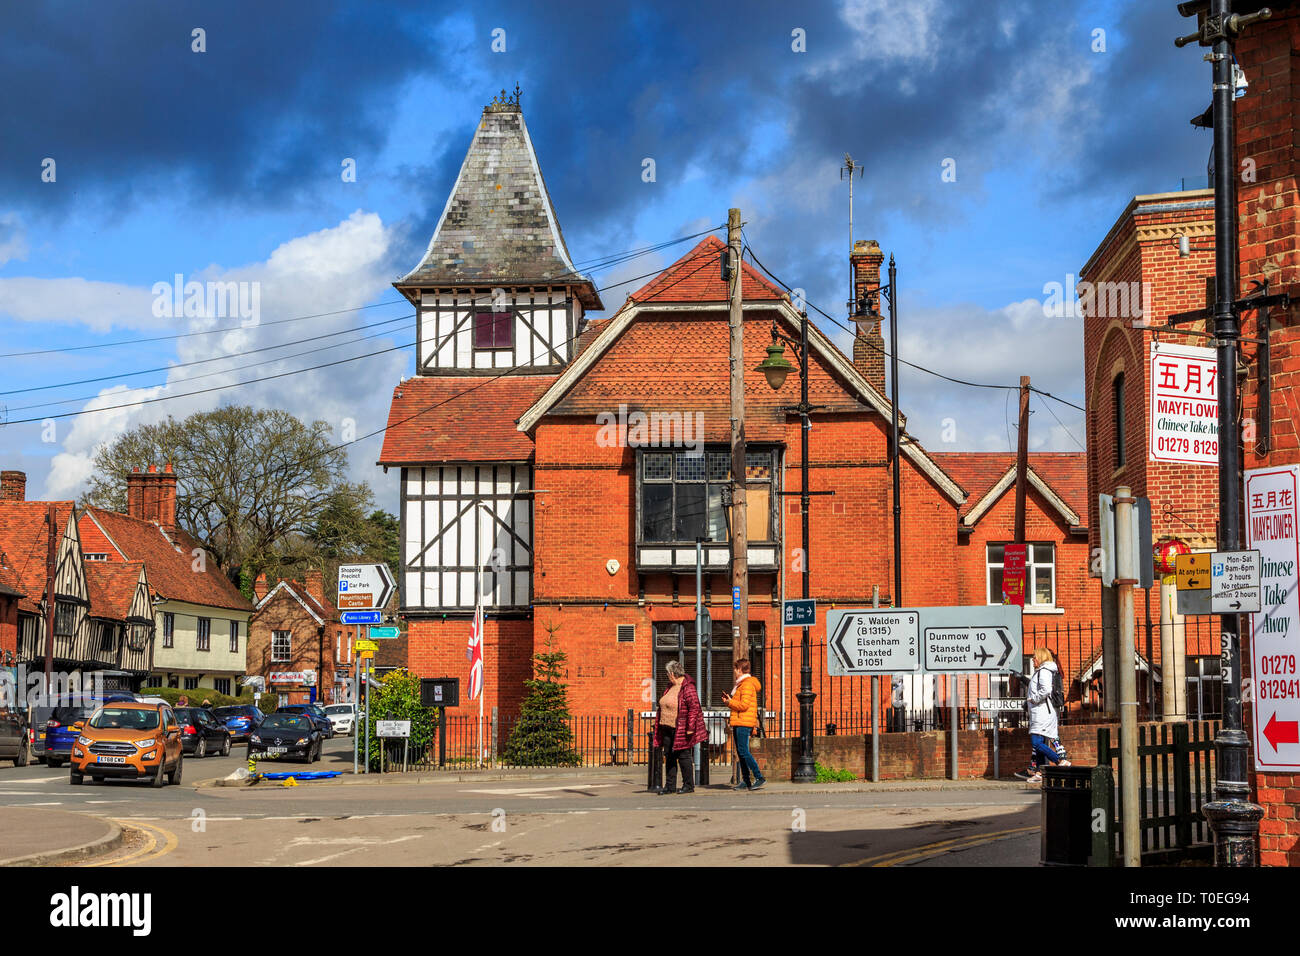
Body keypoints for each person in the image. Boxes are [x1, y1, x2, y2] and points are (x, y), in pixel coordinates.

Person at [1015, 647, 1071, 783]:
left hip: (1042, 713)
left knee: (1036, 742)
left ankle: (1060, 761)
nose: (1033, 660)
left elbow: (1045, 690)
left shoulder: (1044, 671)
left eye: (1034, 657)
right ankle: (1039, 773)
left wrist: (1033, 699)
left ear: (1040, 658)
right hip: (1039, 712)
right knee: (1038, 744)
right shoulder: (1041, 671)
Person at [653, 661, 707, 794]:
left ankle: (688, 785)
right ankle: (670, 786)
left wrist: (690, 727)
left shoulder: (687, 687)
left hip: (680, 727)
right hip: (666, 726)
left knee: (683, 756)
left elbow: (694, 708)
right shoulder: (670, 686)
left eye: (667, 673)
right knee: (669, 756)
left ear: (672, 674)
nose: (667, 676)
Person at [722, 658, 765, 791]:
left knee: (744, 751)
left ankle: (759, 777)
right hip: (739, 721)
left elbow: (744, 705)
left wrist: (729, 703)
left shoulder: (746, 685)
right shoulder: (741, 684)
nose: (734, 671)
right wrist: (730, 701)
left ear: (740, 669)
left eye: (735, 669)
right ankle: (746, 781)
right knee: (741, 753)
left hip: (743, 722)